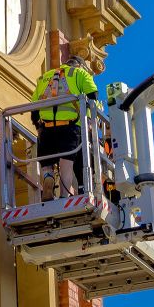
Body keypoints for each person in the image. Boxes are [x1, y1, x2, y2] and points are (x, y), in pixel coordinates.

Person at [31, 55, 99, 199]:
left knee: (47, 164)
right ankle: (63, 196)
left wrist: (39, 127)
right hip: (70, 126)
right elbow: (93, 95)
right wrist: (89, 120)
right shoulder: (80, 73)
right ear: (79, 65)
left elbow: (34, 108)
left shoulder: (45, 77)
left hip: (47, 128)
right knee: (66, 165)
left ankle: (48, 178)